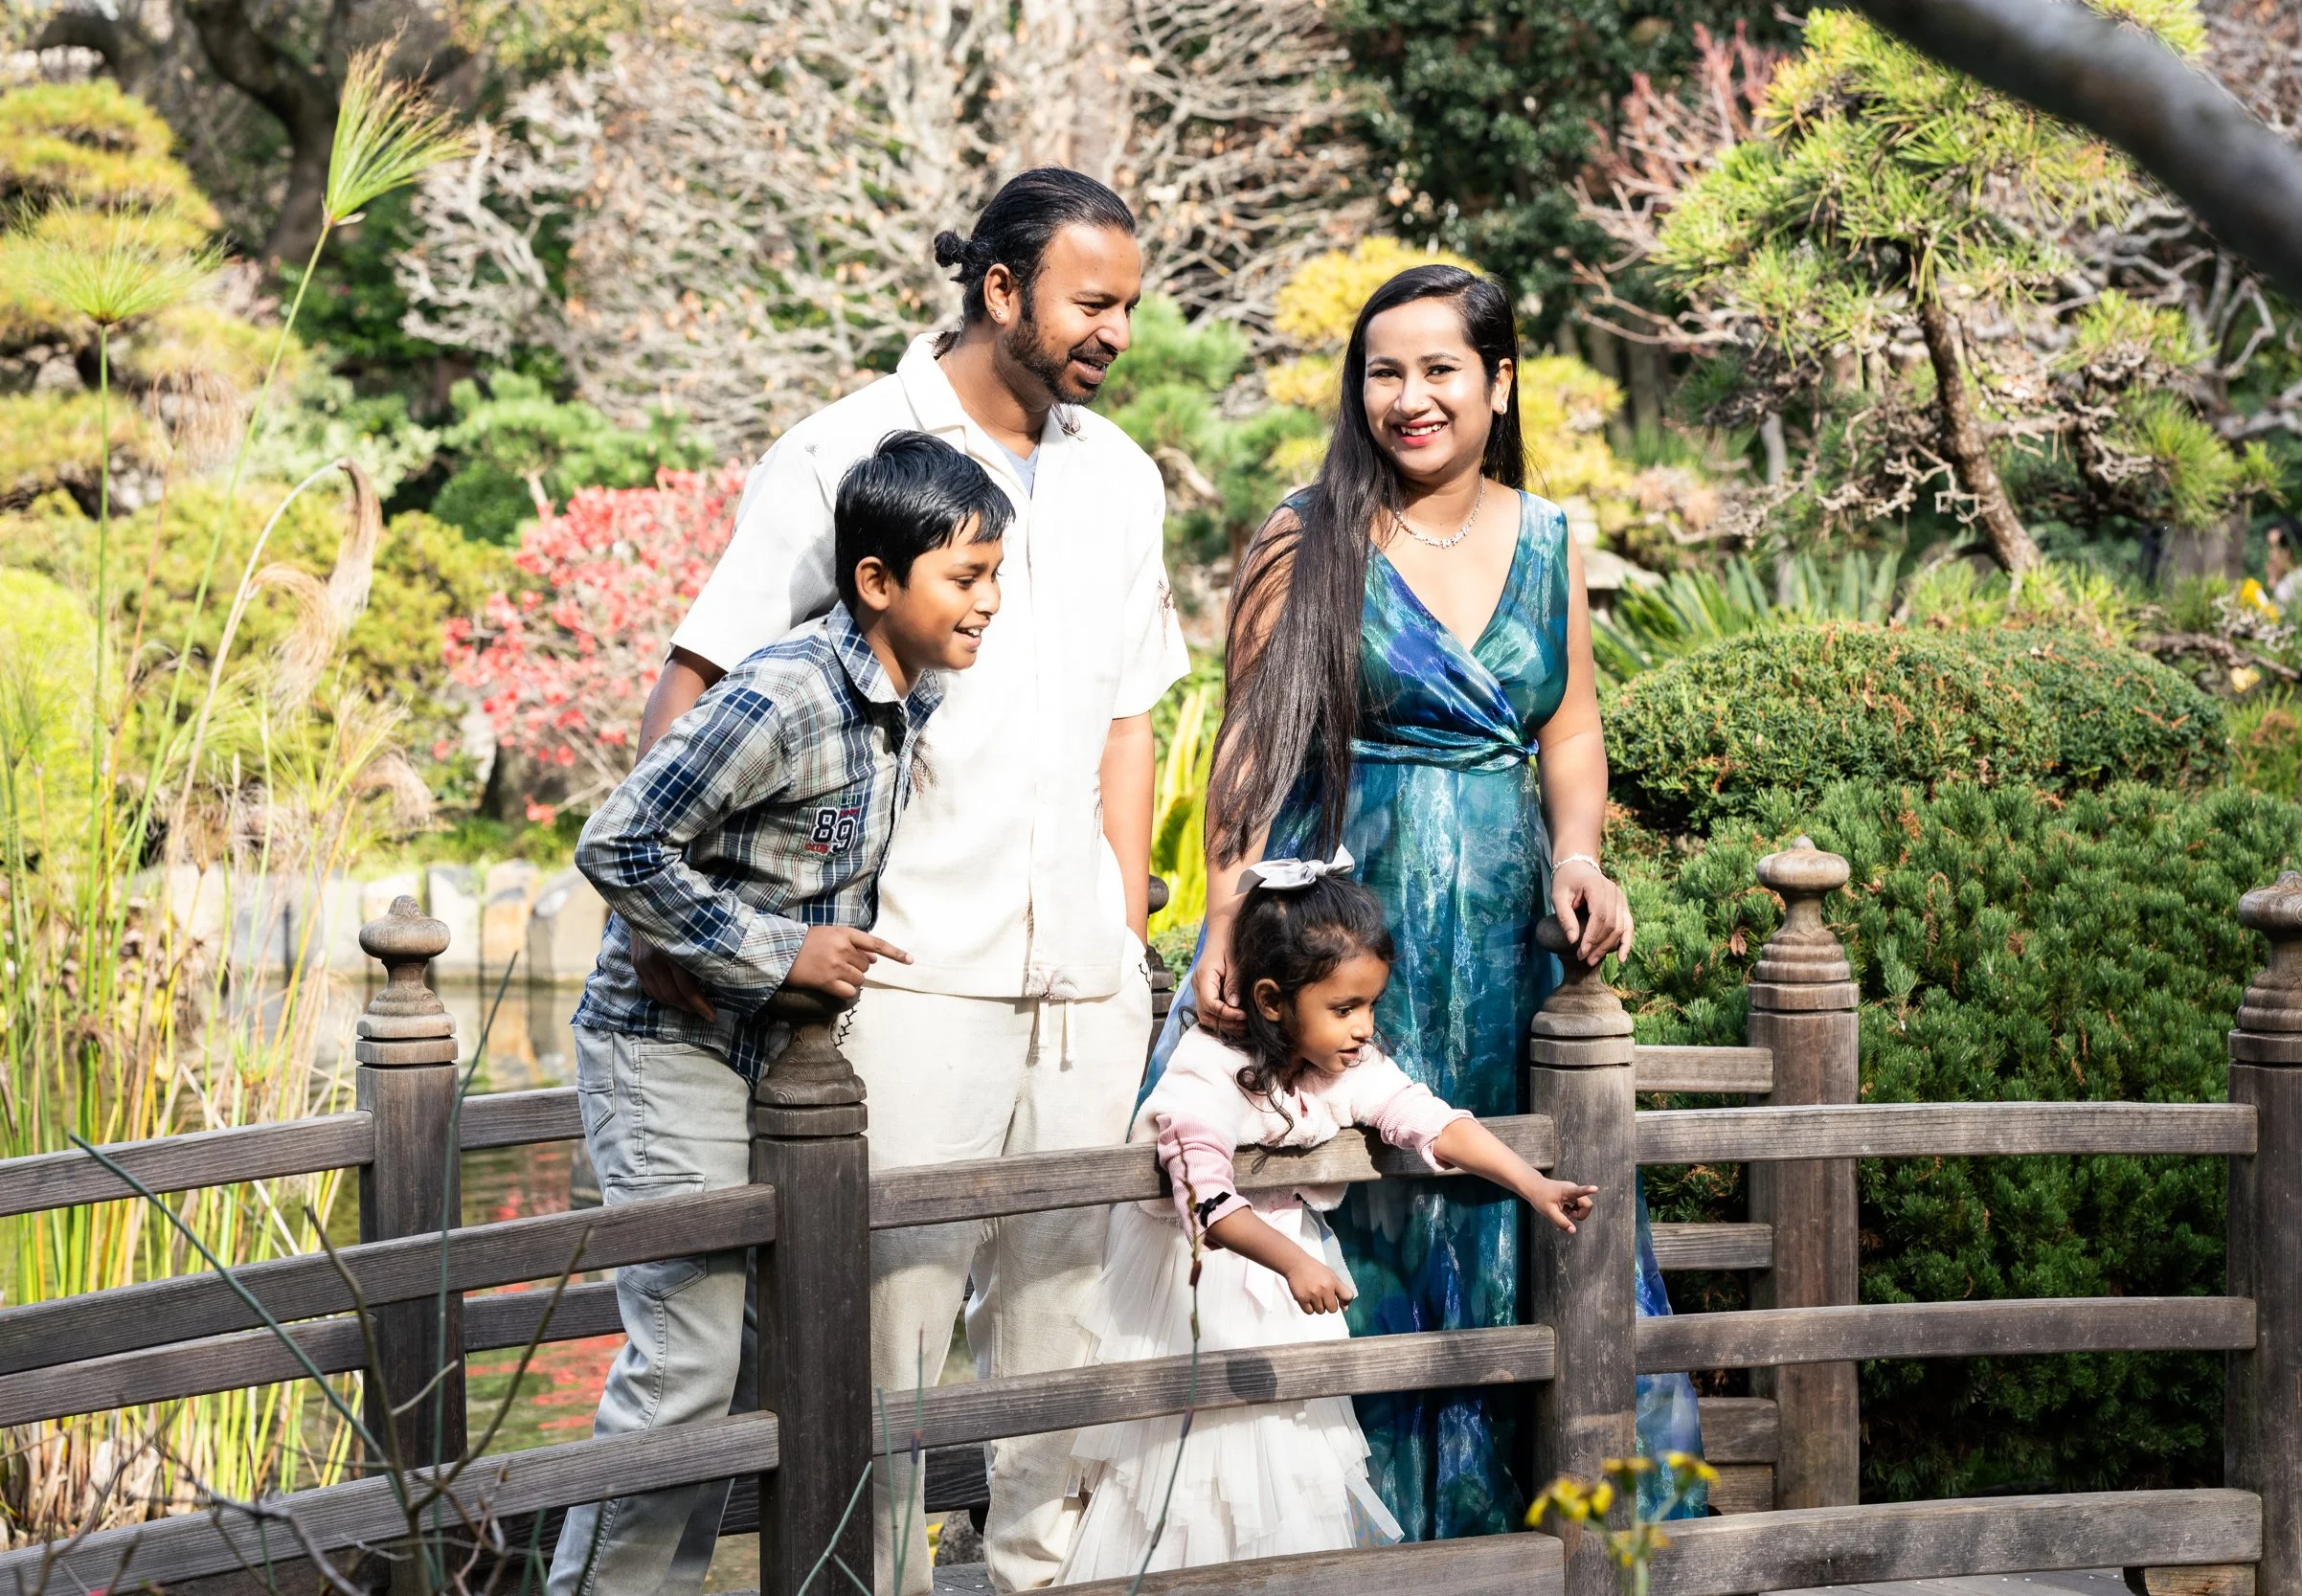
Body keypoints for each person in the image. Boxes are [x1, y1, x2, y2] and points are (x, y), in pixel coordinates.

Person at [628, 168, 1187, 1594]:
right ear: (1001, 290)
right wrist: (690, 932)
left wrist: (1124, 926)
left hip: (1083, 981)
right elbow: (699, 682)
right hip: (904, 975)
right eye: (1092, 300)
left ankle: (1031, 1577)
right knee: (884, 1328)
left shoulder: (1121, 476)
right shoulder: (845, 448)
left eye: (1131, 302)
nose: (1117, 329)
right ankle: (857, 1583)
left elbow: (1134, 714)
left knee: (1068, 1318)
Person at [1148, 263, 1706, 1533]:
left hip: (1506, 947)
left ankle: (1554, 1531)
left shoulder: (1551, 533)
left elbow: (1568, 726)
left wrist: (1579, 854)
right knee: (1365, 1203)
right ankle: (1370, 1539)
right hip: (1353, 938)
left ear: (1499, 381)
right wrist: (1229, 917)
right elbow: (1252, 744)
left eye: (1441, 368)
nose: (1411, 397)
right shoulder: (1308, 536)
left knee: (1508, 1194)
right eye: (1383, 371)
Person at [552, 432, 1012, 1596]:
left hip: (775, 1067)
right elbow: (615, 840)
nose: (988, 603)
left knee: (793, 1356)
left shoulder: (918, 694)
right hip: (668, 1048)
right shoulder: (787, 691)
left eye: (995, 574)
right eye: (965, 577)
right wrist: (775, 949)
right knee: (689, 1361)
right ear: (876, 581)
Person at [1059, 858, 1596, 1581]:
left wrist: (1534, 1184)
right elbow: (1206, 1200)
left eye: (1370, 1004)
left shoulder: (1343, 1064)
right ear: (1273, 1000)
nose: (1363, 1027)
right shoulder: (1204, 1073)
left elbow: (1427, 1121)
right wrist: (1291, 1260)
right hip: (1202, 1285)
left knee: (1291, 1452)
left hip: (1285, 1284)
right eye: (1345, 1007)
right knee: (1198, 1465)